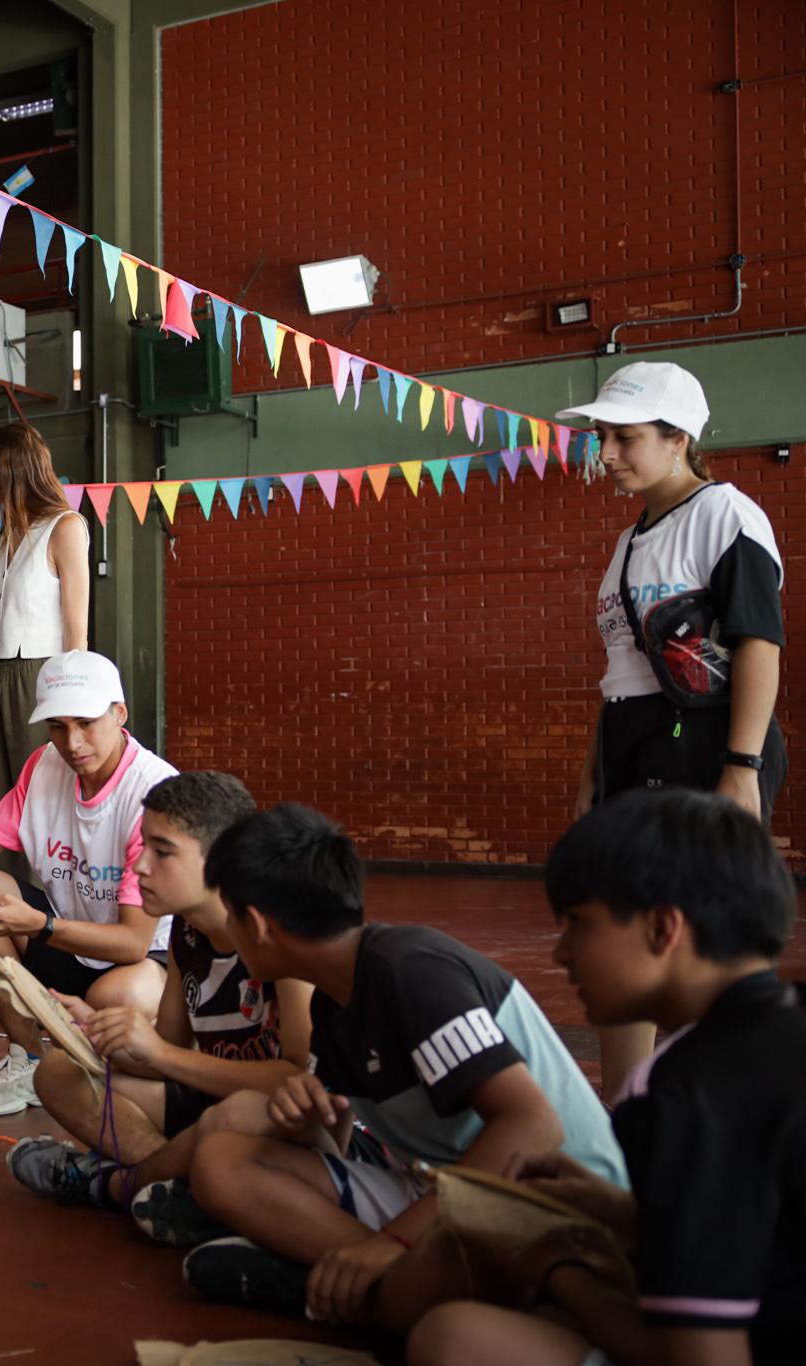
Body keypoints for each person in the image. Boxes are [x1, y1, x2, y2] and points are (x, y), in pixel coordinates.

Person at [180, 805, 628, 1333]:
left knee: (445, 1333)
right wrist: (307, 1115)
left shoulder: (411, 969)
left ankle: (364, 1288)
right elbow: (340, 1137)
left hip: (553, 1206)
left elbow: (533, 1126)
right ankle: (366, 1284)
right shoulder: (332, 998)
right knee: (221, 1161)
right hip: (446, 1190)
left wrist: (389, 1243)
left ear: (255, 923)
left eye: (231, 914)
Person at [407, 790, 806, 1366]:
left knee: (453, 1337)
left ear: (662, 929)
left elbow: (701, 1356)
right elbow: (760, 1222)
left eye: (578, 923)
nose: (561, 953)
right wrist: (611, 1207)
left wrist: (557, 1267)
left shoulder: (678, 1092)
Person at [556, 361, 786, 1101]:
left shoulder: (727, 515)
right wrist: (595, 770)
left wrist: (741, 766)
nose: (609, 454)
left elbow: (758, 645)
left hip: (707, 744)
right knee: (620, 931)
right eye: (603, 438)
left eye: (624, 438)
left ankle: (714, 1109)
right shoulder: (630, 541)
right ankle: (629, 1113)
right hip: (634, 741)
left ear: (678, 437)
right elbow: (623, 669)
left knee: (688, 936)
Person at [7, 771, 316, 1249]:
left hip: (277, 1121)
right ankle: (182, 1186)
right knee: (56, 1071)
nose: (140, 867)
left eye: (161, 851)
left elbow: (300, 1080)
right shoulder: (186, 933)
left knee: (237, 1114)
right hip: (211, 1103)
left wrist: (160, 1054)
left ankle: (127, 1184)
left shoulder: (282, 933)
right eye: (141, 847)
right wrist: (99, 1031)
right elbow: (167, 1046)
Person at [0, 651, 176, 1115]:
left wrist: (39, 925)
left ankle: (90, 1065)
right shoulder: (45, 765)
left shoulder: (150, 794)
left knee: (114, 997)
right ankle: (31, 1057)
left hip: (142, 959)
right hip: (68, 940)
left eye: (85, 723)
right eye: (57, 726)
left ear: (119, 714)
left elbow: (134, 942)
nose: (72, 742)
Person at [0, 423, 90, 885]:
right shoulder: (9, 537)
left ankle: (49, 925)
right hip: (0, 685)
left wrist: (74, 709)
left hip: (43, 683)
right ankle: (11, 924)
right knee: (3, 812)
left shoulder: (65, 527)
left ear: (6, 467)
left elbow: (77, 628)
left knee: (42, 809)